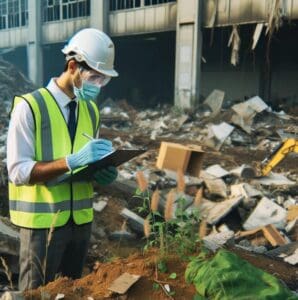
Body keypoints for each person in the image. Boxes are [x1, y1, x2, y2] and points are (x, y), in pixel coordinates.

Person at [6, 28, 118, 291]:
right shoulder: (30, 106)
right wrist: (70, 161)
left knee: (73, 292)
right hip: (42, 226)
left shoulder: (91, 110)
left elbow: (87, 163)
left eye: (104, 81)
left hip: (80, 222)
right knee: (35, 294)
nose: (97, 87)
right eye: (94, 78)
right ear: (72, 66)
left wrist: (102, 172)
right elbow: (17, 171)